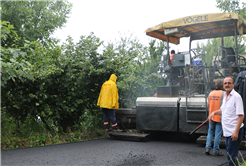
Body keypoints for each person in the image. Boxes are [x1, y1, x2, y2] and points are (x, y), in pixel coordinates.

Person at [209, 77, 244, 166]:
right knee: (229, 155)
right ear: (223, 85)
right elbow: (223, 110)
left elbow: (241, 115)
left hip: (234, 131)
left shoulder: (236, 97)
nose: (227, 85)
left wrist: (236, 132)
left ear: (233, 85)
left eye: (229, 83)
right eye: (225, 83)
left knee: (232, 156)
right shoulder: (225, 95)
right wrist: (214, 112)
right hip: (227, 131)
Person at [205, 79, 224, 156]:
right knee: (217, 135)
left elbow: (208, 106)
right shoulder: (224, 94)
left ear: (215, 86)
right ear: (222, 86)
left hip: (211, 117)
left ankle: (207, 148)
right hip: (219, 117)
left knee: (210, 133)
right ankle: (216, 151)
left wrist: (209, 115)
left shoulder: (211, 93)